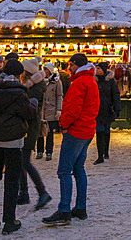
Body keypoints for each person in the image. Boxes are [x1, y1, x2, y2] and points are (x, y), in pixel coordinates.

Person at [42, 53, 99, 227]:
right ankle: (80, 207)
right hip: (87, 130)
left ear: (77, 66)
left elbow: (72, 109)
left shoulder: (79, 83)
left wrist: (63, 124)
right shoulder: (91, 81)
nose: (69, 69)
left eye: (71, 66)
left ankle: (64, 209)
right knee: (79, 169)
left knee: (64, 171)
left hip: (76, 131)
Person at [0, 59, 35, 235]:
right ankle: (9, 221)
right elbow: (28, 113)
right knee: (11, 180)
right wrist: (33, 103)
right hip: (13, 140)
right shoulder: (19, 92)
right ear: (19, 74)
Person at [17, 60, 49, 209]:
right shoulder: (30, 86)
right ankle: (24, 192)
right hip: (26, 126)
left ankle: (42, 192)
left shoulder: (35, 88)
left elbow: (30, 109)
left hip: (30, 127)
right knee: (21, 161)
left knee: (25, 161)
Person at [94, 61, 121, 162]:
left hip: (107, 110)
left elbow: (116, 95)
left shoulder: (111, 81)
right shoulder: (94, 81)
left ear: (103, 70)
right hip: (97, 110)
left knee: (106, 131)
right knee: (99, 132)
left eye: (98, 68)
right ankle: (100, 156)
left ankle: (106, 151)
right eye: (96, 68)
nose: (97, 70)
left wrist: (117, 108)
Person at [37, 62, 63, 160]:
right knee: (40, 132)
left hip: (51, 109)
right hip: (41, 109)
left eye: (46, 69)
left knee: (49, 133)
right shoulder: (40, 81)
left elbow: (59, 96)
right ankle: (40, 151)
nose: (45, 71)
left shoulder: (56, 82)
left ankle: (49, 152)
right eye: (44, 69)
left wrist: (59, 110)